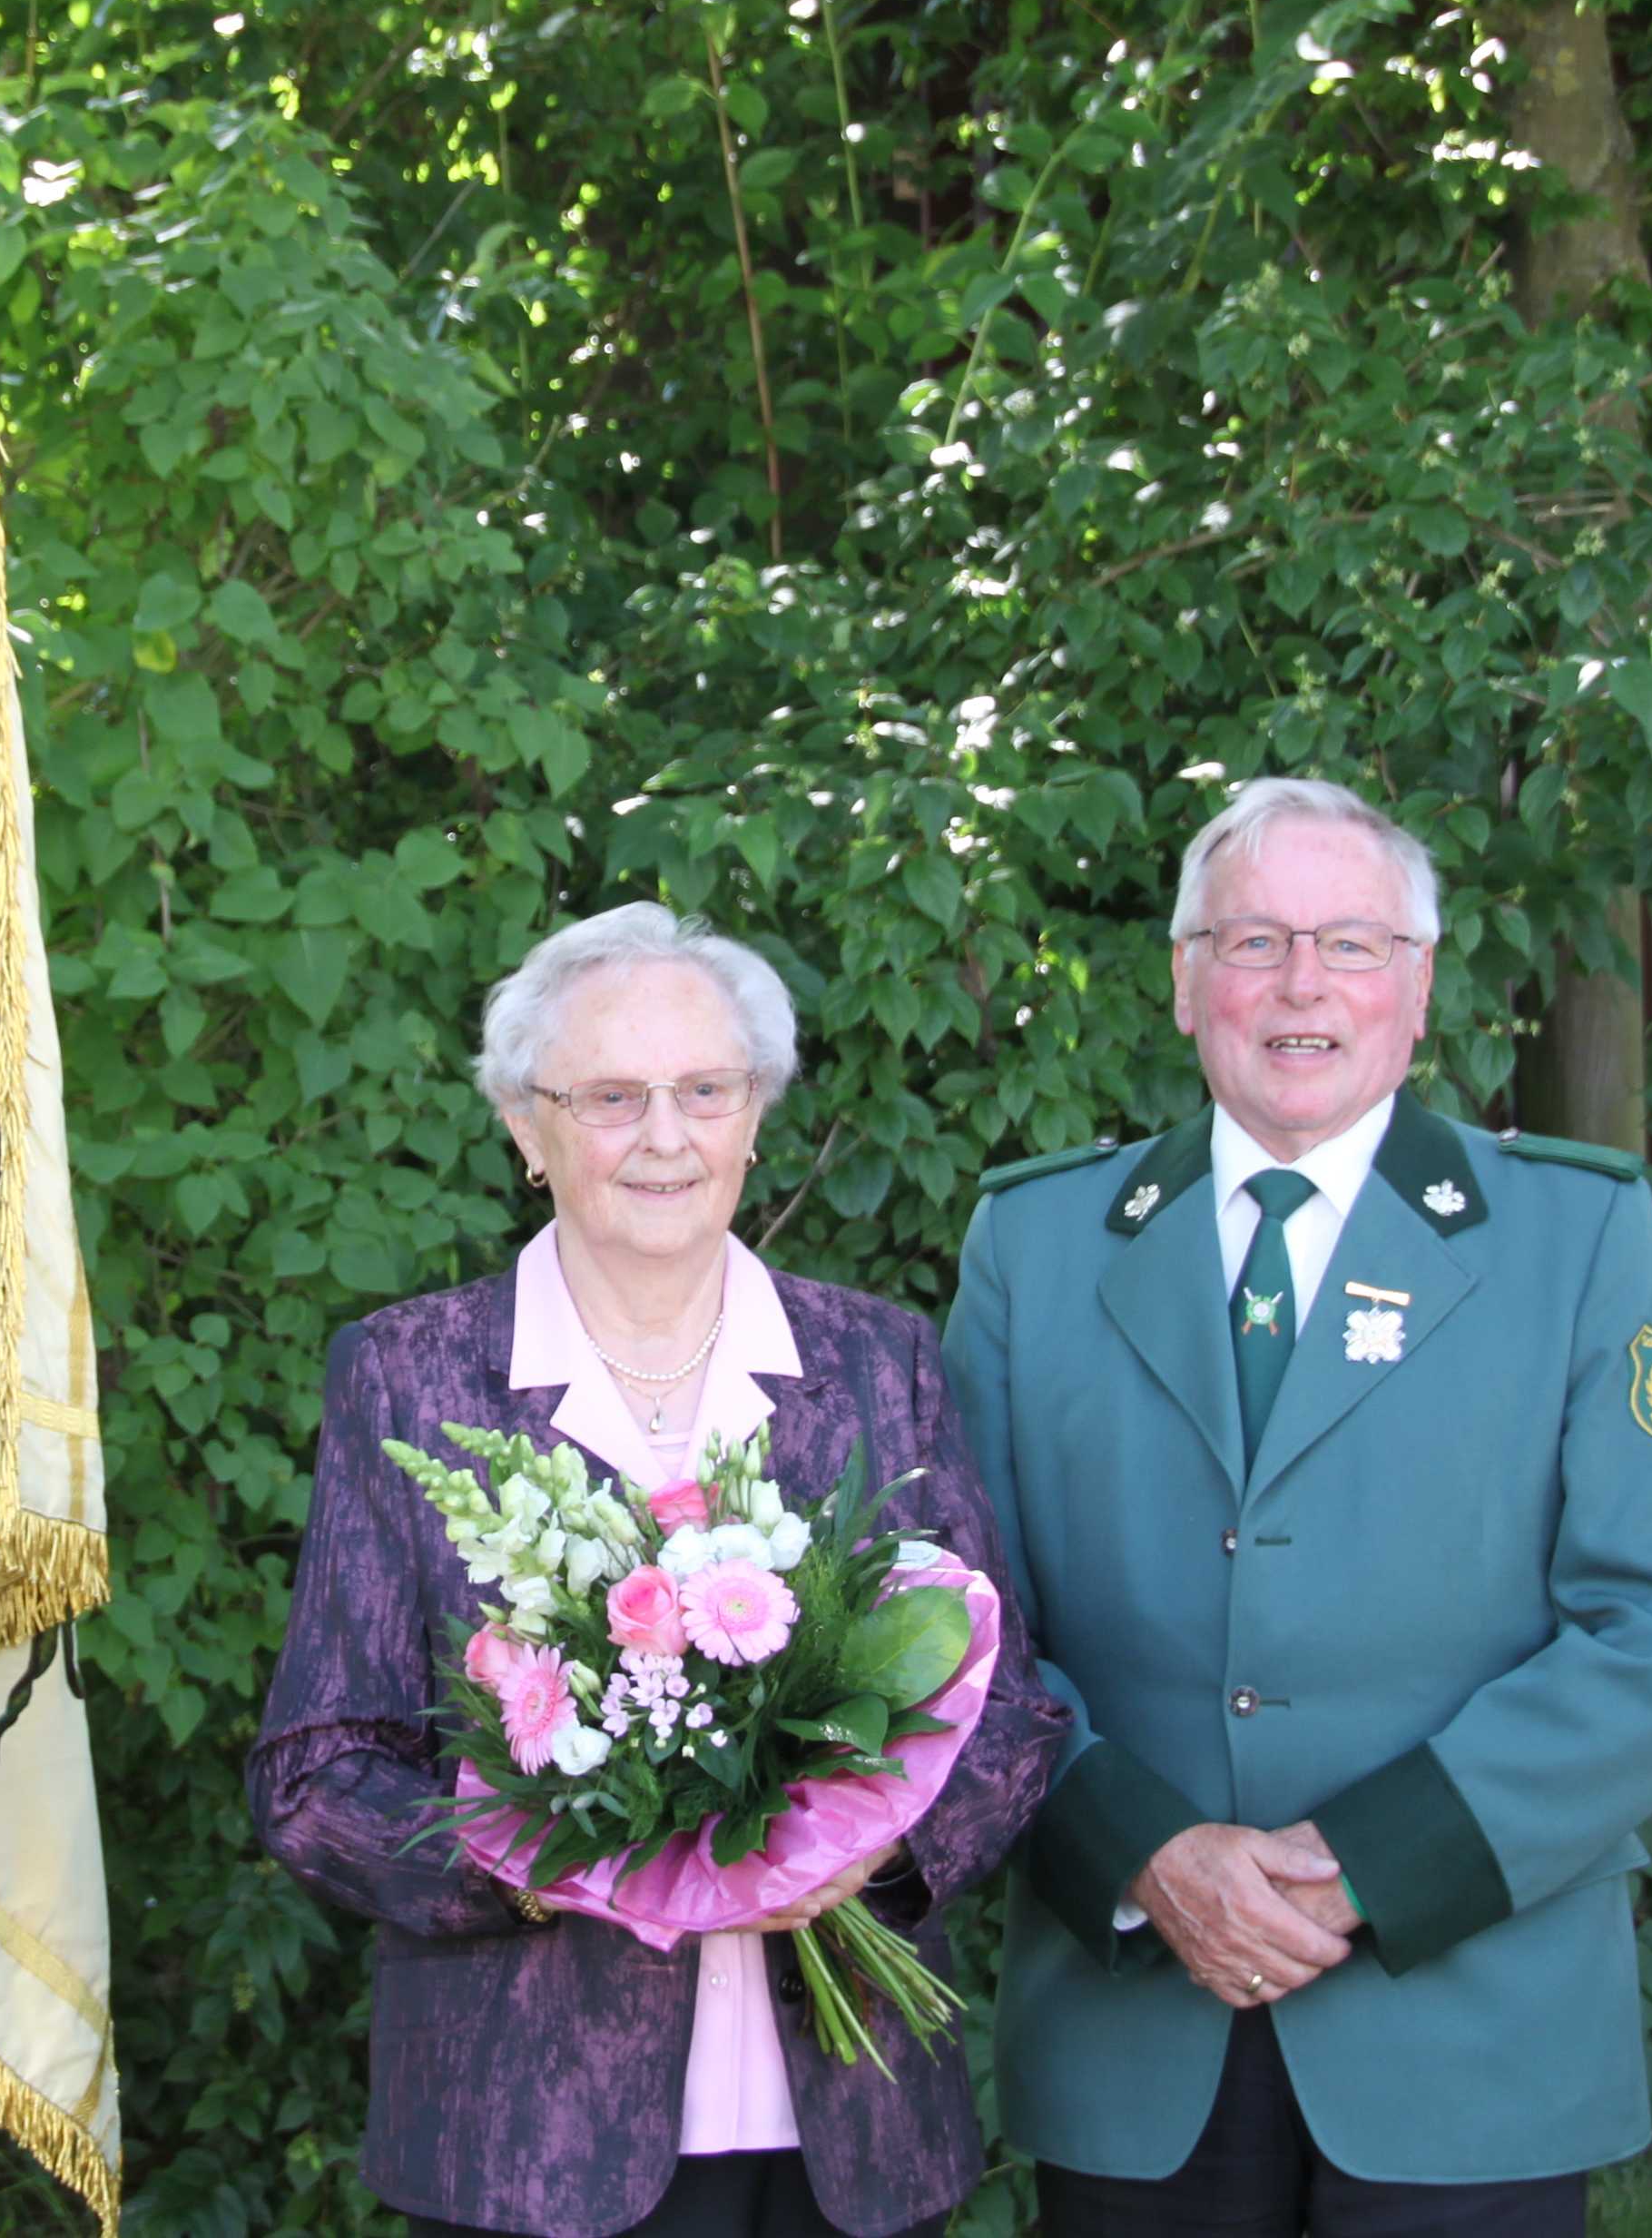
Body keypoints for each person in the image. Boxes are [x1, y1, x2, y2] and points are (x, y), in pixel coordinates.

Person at [943, 774, 1652, 2238]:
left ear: (1418, 987)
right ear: (1185, 984)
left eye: (1353, 945)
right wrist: (1145, 1854)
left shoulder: (1577, 1236)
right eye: (1250, 942)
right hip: (1137, 2026)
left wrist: (1367, 1865)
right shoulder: (1038, 1244)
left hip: (1471, 2030)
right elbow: (959, 1628)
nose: (1301, 984)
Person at [250, 903, 1065, 2238]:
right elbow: (316, 1771)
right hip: (527, 2148)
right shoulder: (410, 1374)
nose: (666, 1137)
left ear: (756, 1114)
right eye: (612, 1098)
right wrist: (537, 1859)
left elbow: (1011, 1714)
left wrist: (874, 1858)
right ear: (526, 1125)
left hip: (848, 2136)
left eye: (704, 1091)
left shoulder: (880, 1362)